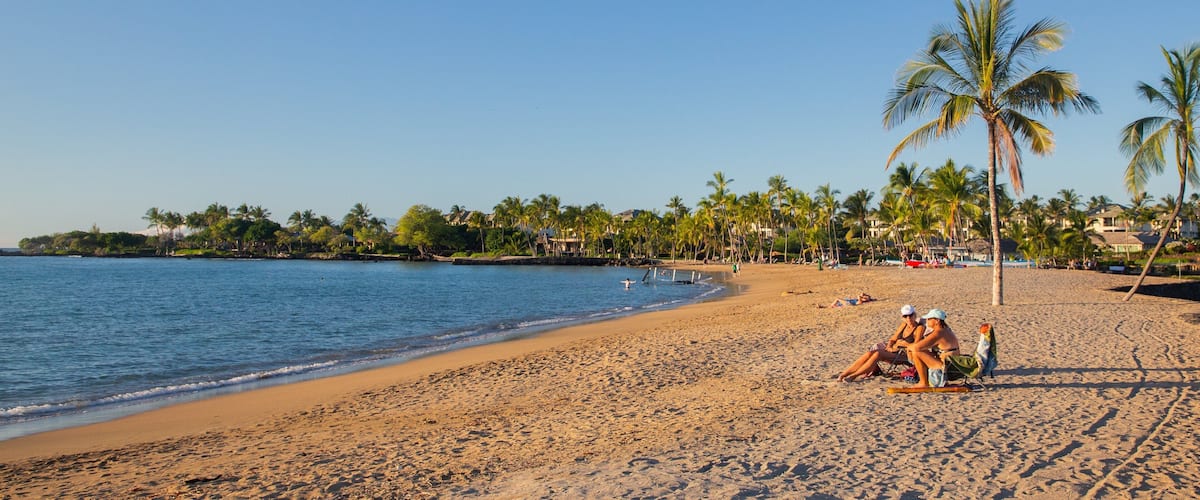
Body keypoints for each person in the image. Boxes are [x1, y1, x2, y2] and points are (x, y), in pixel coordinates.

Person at [837, 304, 925, 382]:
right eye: (905, 316)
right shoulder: (904, 325)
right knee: (869, 353)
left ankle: (853, 376)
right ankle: (844, 374)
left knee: (878, 354)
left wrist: (902, 343)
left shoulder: (919, 328)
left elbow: (916, 346)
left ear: (915, 315)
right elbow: (893, 339)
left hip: (905, 355)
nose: (908, 318)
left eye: (910, 315)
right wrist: (890, 345)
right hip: (895, 350)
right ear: (902, 317)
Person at [906, 308, 961, 387]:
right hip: (950, 364)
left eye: (929, 319)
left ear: (937, 321)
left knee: (916, 352)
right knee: (918, 350)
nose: (927, 321)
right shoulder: (946, 329)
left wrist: (907, 346)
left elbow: (917, 347)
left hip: (944, 366)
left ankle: (923, 382)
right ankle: (924, 381)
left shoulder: (938, 333)